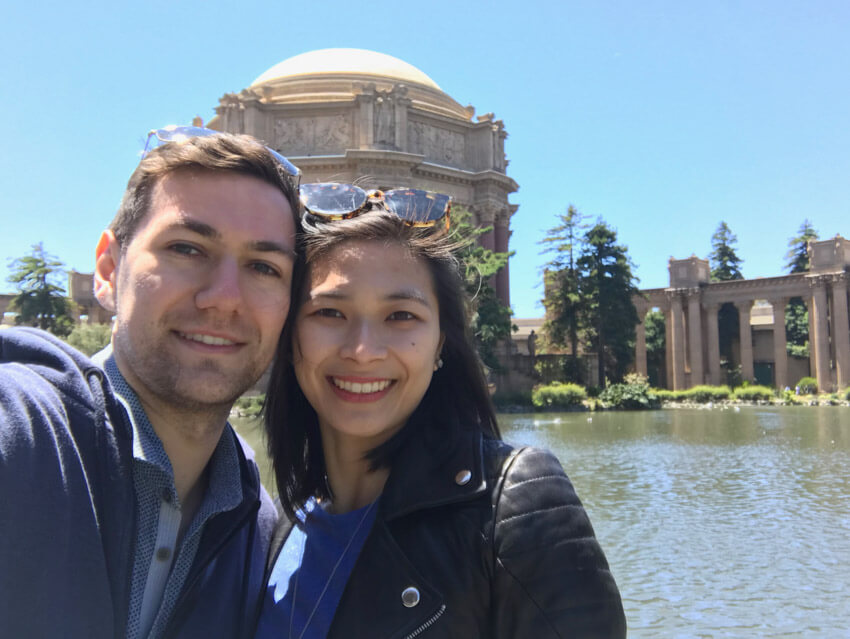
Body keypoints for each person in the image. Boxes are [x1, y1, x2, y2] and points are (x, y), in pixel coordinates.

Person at [255, 184, 626, 638]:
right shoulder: (277, 524)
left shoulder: (515, 508)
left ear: (440, 345)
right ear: (289, 335)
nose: (363, 351)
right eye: (329, 313)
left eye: (401, 316)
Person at [0, 127, 300, 639]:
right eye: (186, 248)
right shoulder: (21, 435)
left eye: (263, 266)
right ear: (108, 268)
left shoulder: (261, 531)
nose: (224, 298)